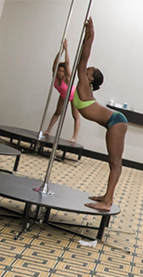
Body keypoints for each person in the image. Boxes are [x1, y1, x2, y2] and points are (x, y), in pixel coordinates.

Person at [73, 18, 128, 211]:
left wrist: (91, 34)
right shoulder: (83, 86)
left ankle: (108, 201)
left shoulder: (83, 84)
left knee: (115, 163)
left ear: (90, 78)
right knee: (112, 162)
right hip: (113, 122)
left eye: (90, 70)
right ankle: (106, 196)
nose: (87, 68)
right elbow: (82, 59)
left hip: (116, 121)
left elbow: (83, 57)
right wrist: (87, 35)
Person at [44, 39, 81, 142]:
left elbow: (68, 63)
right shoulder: (55, 76)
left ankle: (74, 137)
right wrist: (60, 50)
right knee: (57, 112)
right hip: (63, 95)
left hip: (74, 95)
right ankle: (48, 130)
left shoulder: (67, 78)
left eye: (62, 71)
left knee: (75, 116)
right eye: (59, 71)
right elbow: (55, 63)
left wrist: (66, 50)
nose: (60, 73)